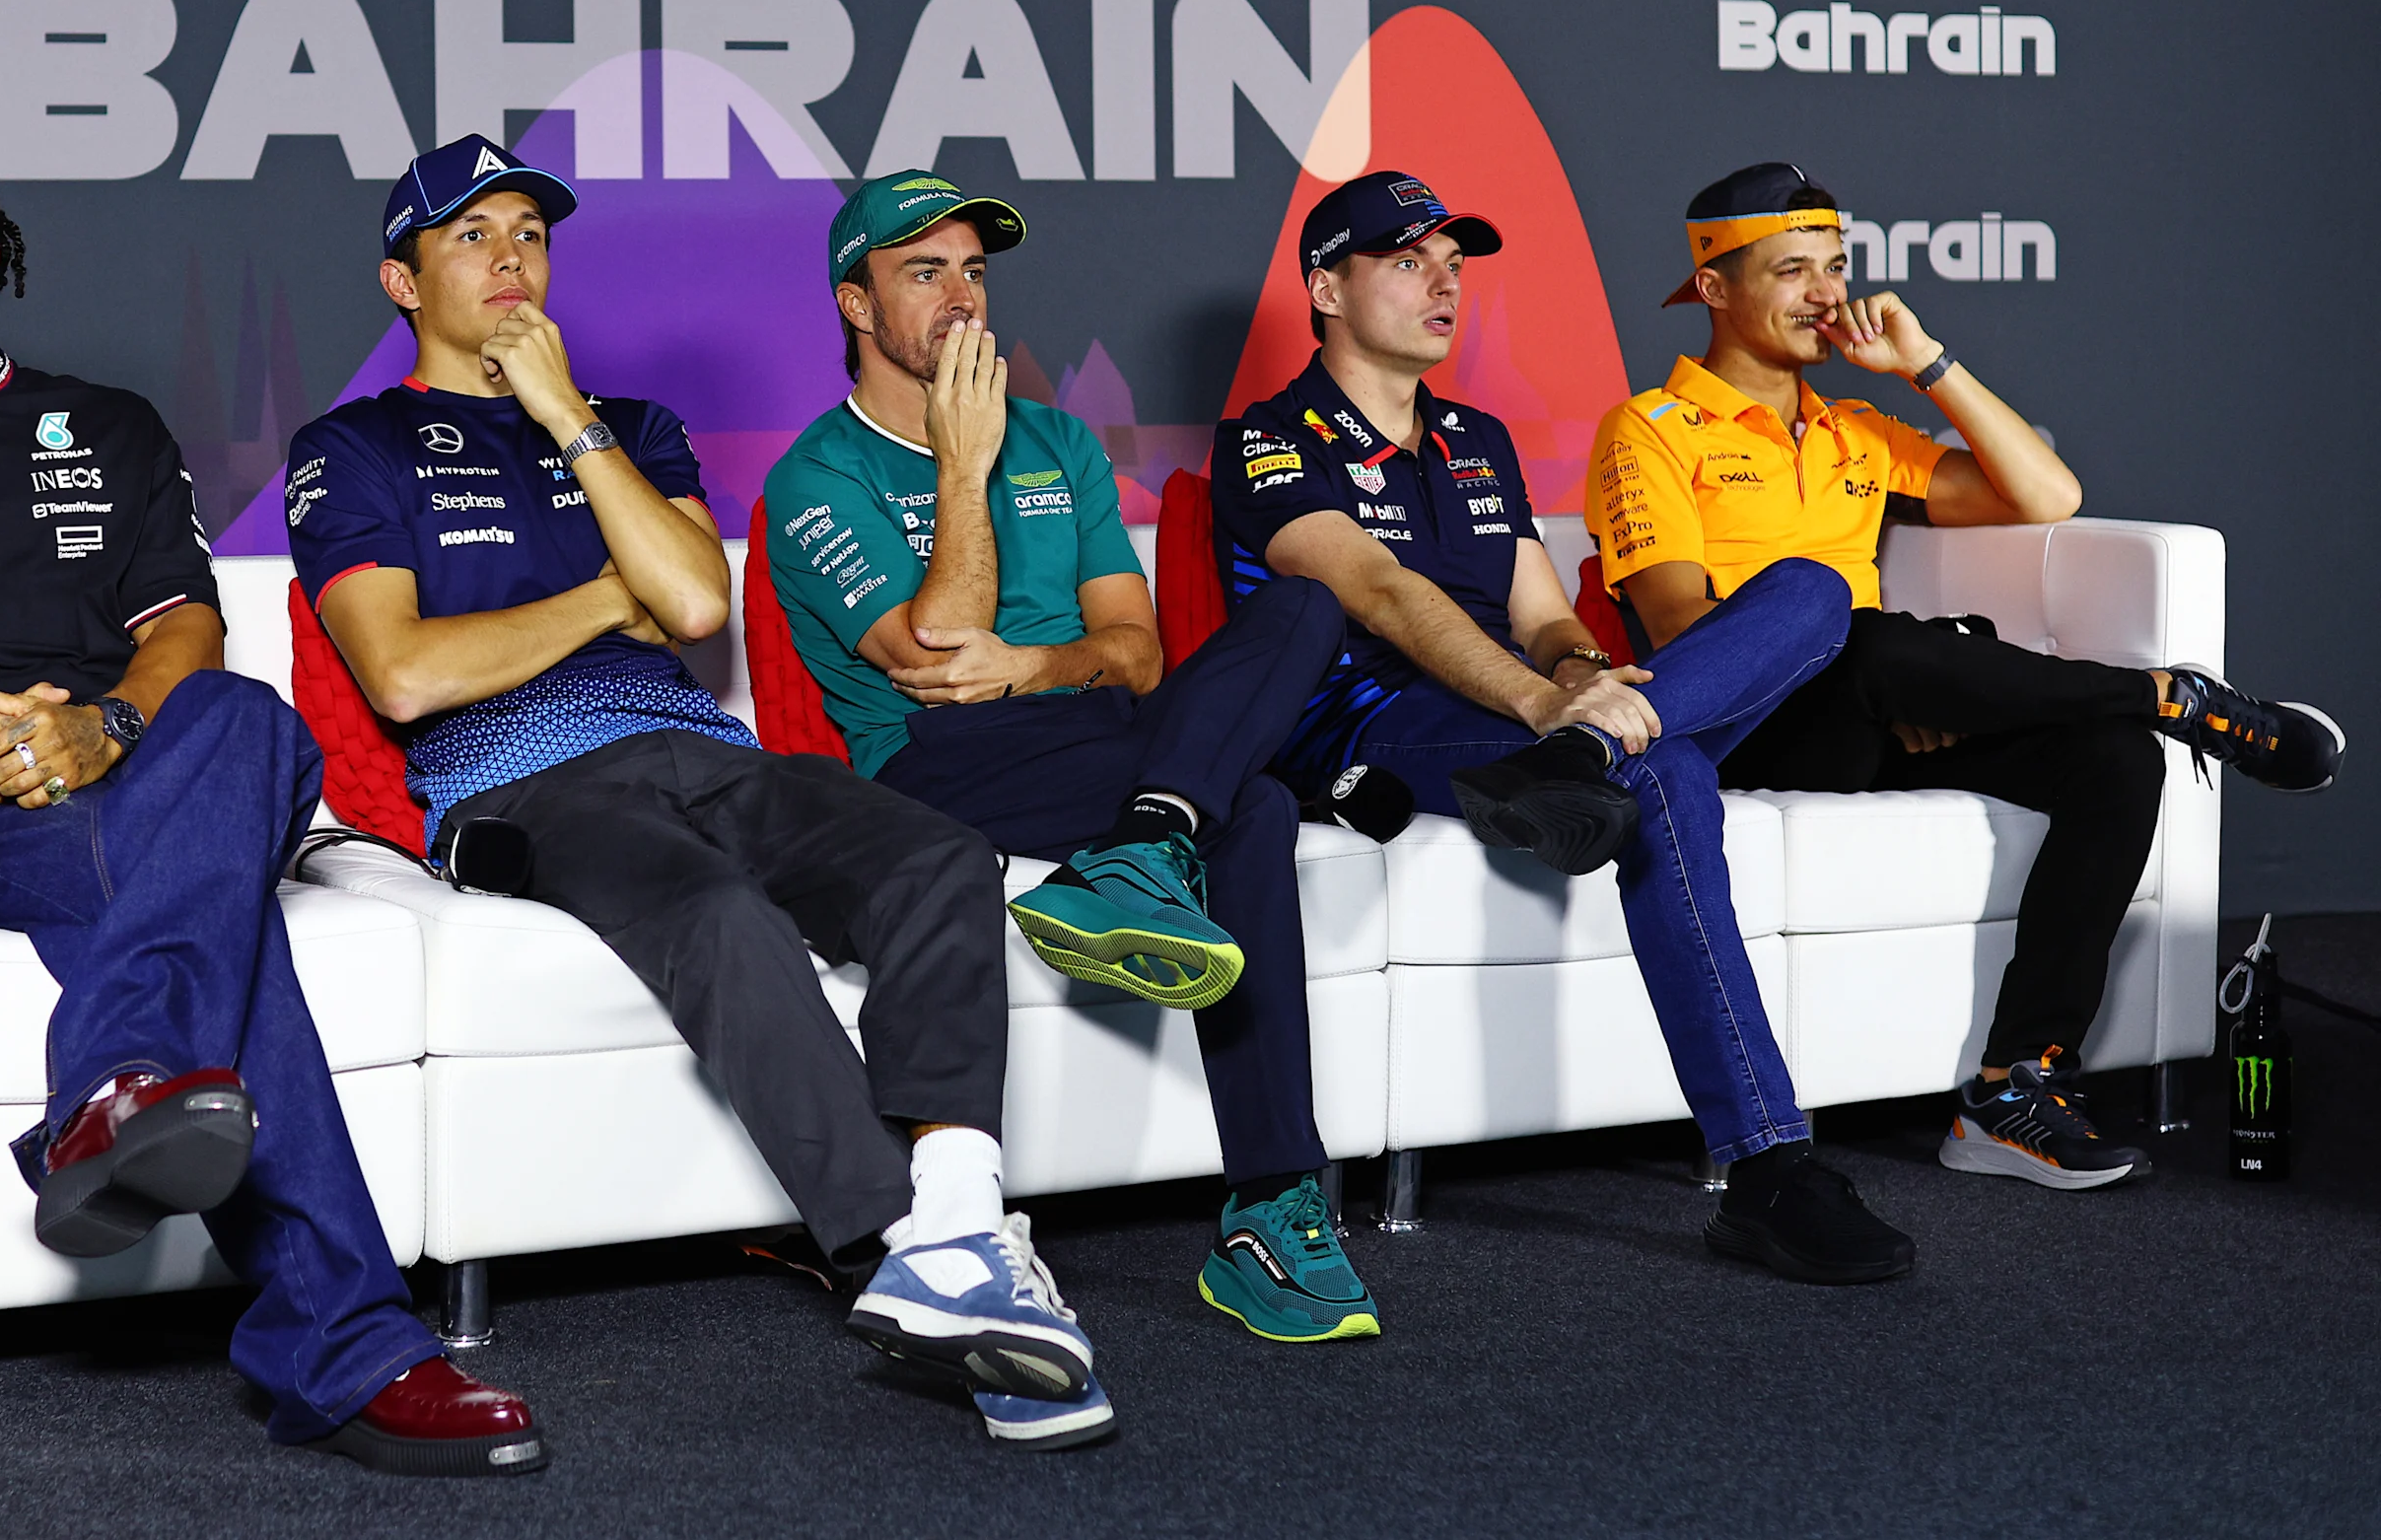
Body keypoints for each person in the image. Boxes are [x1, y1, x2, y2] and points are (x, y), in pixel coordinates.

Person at [0, 143, 542, 1477]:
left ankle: (116, 1081)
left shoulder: (108, 426)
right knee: (227, 908)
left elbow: (185, 631)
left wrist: (98, 729)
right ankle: (345, 1349)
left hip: (140, 764)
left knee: (253, 723)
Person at [290, 134, 1111, 1449]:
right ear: (403, 282)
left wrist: (565, 418)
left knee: (936, 853)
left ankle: (960, 1212)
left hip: (701, 751)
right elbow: (401, 676)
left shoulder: (634, 429)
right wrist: (607, 597)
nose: (512, 260)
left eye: (530, 236)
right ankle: (895, 1248)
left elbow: (688, 603)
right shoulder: (355, 447)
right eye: (471, 239)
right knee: (722, 914)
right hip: (519, 785)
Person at [1212, 169, 1918, 1285]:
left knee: (1810, 595)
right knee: (1668, 772)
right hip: (1372, 727)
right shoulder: (1267, 439)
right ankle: (1769, 1167)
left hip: (1527, 725)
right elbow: (1382, 595)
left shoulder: (1474, 436)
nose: (1443, 285)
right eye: (1407, 262)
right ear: (1325, 289)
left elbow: (1542, 614)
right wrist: (1550, 702)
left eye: (1453, 265)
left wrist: (1589, 678)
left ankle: (1588, 757)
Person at [1596, 162, 2345, 1190]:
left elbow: (2046, 494)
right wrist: (1905, 675)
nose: (1823, 293)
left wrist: (1924, 364)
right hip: (1749, 723)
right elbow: (1687, 634)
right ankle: (2163, 692)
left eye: (1834, 266)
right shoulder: (1646, 430)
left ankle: (2012, 1090)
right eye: (1788, 271)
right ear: (1714, 291)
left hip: (1876, 714)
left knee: (2111, 764)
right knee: (1858, 632)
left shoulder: (1858, 431)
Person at [760, 170, 1382, 1345]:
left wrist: (1040, 665)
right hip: (936, 760)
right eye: (922, 272)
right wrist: (958, 464)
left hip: (1093, 732)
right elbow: (938, 652)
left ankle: (1147, 844)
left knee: (1301, 611)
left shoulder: (1056, 443)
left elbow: (1138, 656)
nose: (960, 297)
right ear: (855, 303)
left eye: (974, 271)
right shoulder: (817, 477)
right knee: (1244, 803)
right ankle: (1269, 1202)